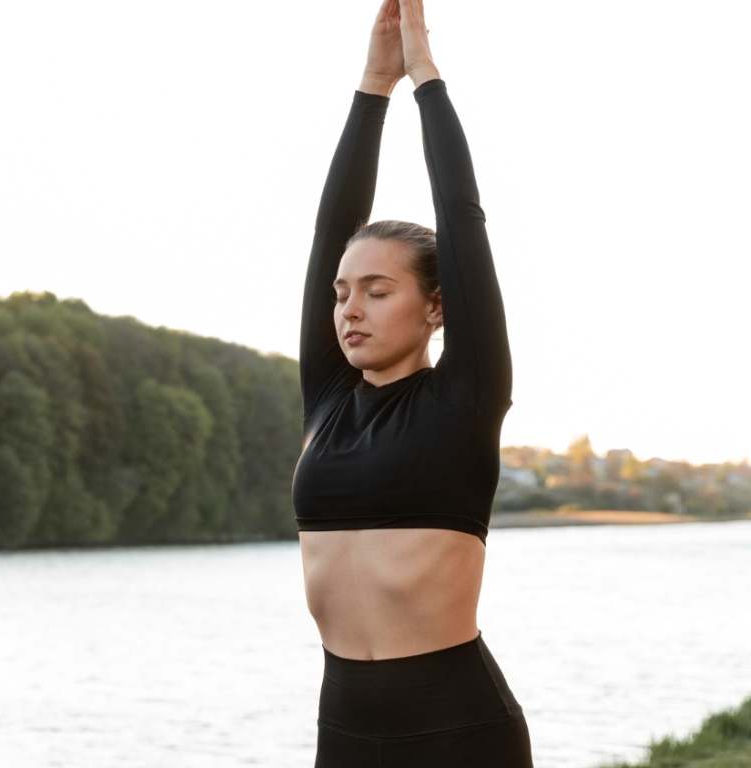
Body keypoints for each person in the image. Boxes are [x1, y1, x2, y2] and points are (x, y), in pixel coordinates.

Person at [290, 1, 533, 764]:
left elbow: (461, 221)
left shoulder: (464, 399)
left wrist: (424, 78)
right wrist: (370, 86)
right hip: (345, 731)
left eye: (377, 290)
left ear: (436, 306)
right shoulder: (328, 399)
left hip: (456, 731)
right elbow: (332, 229)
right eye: (340, 293)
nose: (349, 309)